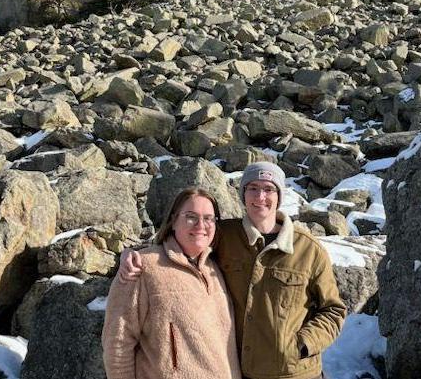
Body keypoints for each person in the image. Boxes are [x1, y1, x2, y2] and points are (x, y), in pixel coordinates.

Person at [119, 162, 346, 379]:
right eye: (252, 189)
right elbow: (184, 240)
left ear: (279, 196)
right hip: (240, 371)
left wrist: (303, 344)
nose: (260, 197)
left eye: (269, 189)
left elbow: (333, 310)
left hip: (295, 373)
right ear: (242, 195)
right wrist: (133, 254)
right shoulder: (225, 235)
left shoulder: (308, 249)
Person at [102, 187, 242, 379]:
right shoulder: (141, 266)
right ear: (174, 220)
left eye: (209, 218)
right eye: (191, 216)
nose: (201, 225)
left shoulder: (216, 268)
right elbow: (117, 341)